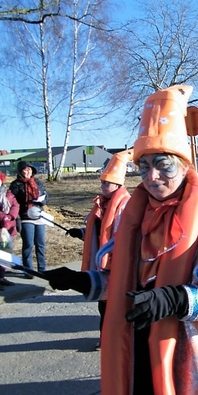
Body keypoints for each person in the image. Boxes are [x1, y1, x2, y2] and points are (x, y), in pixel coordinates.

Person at [44, 85, 198, 395]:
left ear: (184, 163)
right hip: (134, 351)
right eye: (144, 167)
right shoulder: (136, 217)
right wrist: (84, 282)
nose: (151, 177)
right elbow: (126, 281)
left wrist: (180, 300)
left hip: (187, 362)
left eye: (163, 165)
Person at [66, 150, 133, 350]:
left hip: (118, 263)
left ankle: (118, 340)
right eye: (102, 182)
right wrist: (82, 232)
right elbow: (99, 228)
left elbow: (122, 233)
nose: (103, 186)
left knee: (116, 305)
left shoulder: (125, 205)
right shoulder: (101, 204)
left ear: (118, 185)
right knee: (103, 304)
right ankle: (106, 338)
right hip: (102, 263)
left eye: (107, 183)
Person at [9, 160, 49, 275]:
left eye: (30, 169)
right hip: (25, 216)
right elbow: (13, 201)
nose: (28, 172)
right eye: (25, 170)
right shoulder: (16, 184)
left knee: (40, 244)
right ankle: (28, 270)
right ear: (20, 171)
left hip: (39, 215)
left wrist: (42, 201)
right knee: (28, 244)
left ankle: (42, 269)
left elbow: (46, 196)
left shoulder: (37, 182)